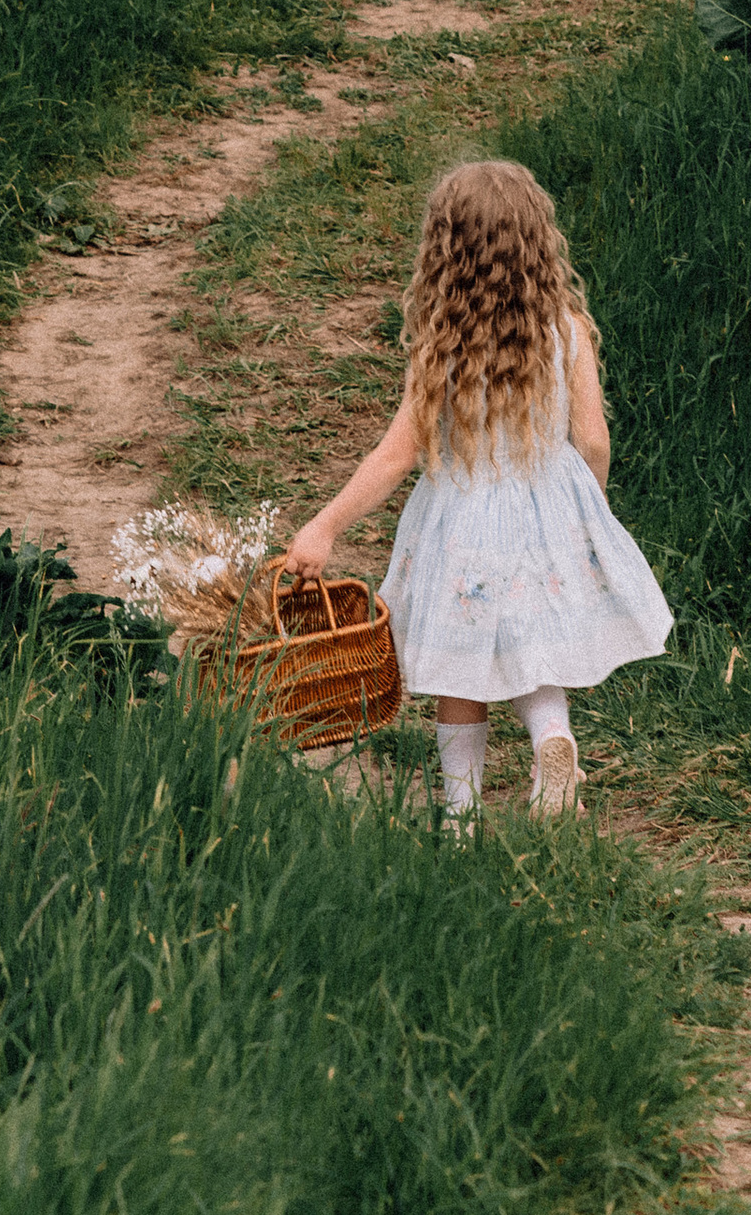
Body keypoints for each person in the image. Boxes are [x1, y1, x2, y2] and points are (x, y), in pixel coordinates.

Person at [286, 156, 670, 819]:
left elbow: (395, 455)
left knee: (461, 666)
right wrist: (591, 512)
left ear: (446, 252)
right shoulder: (567, 332)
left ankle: (461, 817)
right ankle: (554, 740)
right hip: (548, 510)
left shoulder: (444, 345)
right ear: (537, 245)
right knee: (535, 648)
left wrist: (323, 526)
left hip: (461, 521)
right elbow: (595, 440)